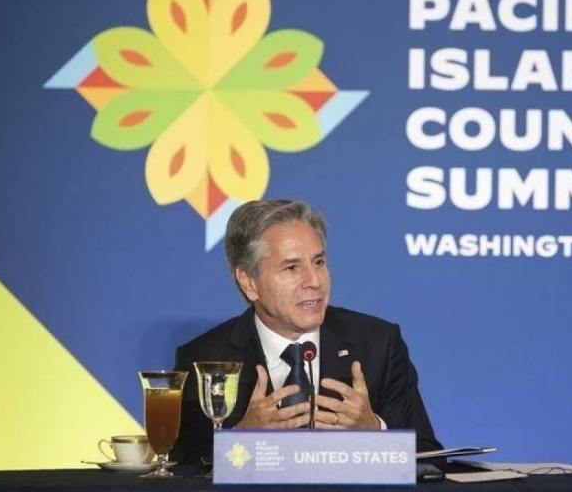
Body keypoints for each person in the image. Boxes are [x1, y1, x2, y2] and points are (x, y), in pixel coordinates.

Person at [171, 199, 442, 466]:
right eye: (291, 268)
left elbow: (429, 459)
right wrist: (239, 438)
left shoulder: (378, 344)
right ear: (249, 282)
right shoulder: (203, 359)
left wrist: (374, 432)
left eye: (319, 262)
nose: (314, 281)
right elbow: (182, 469)